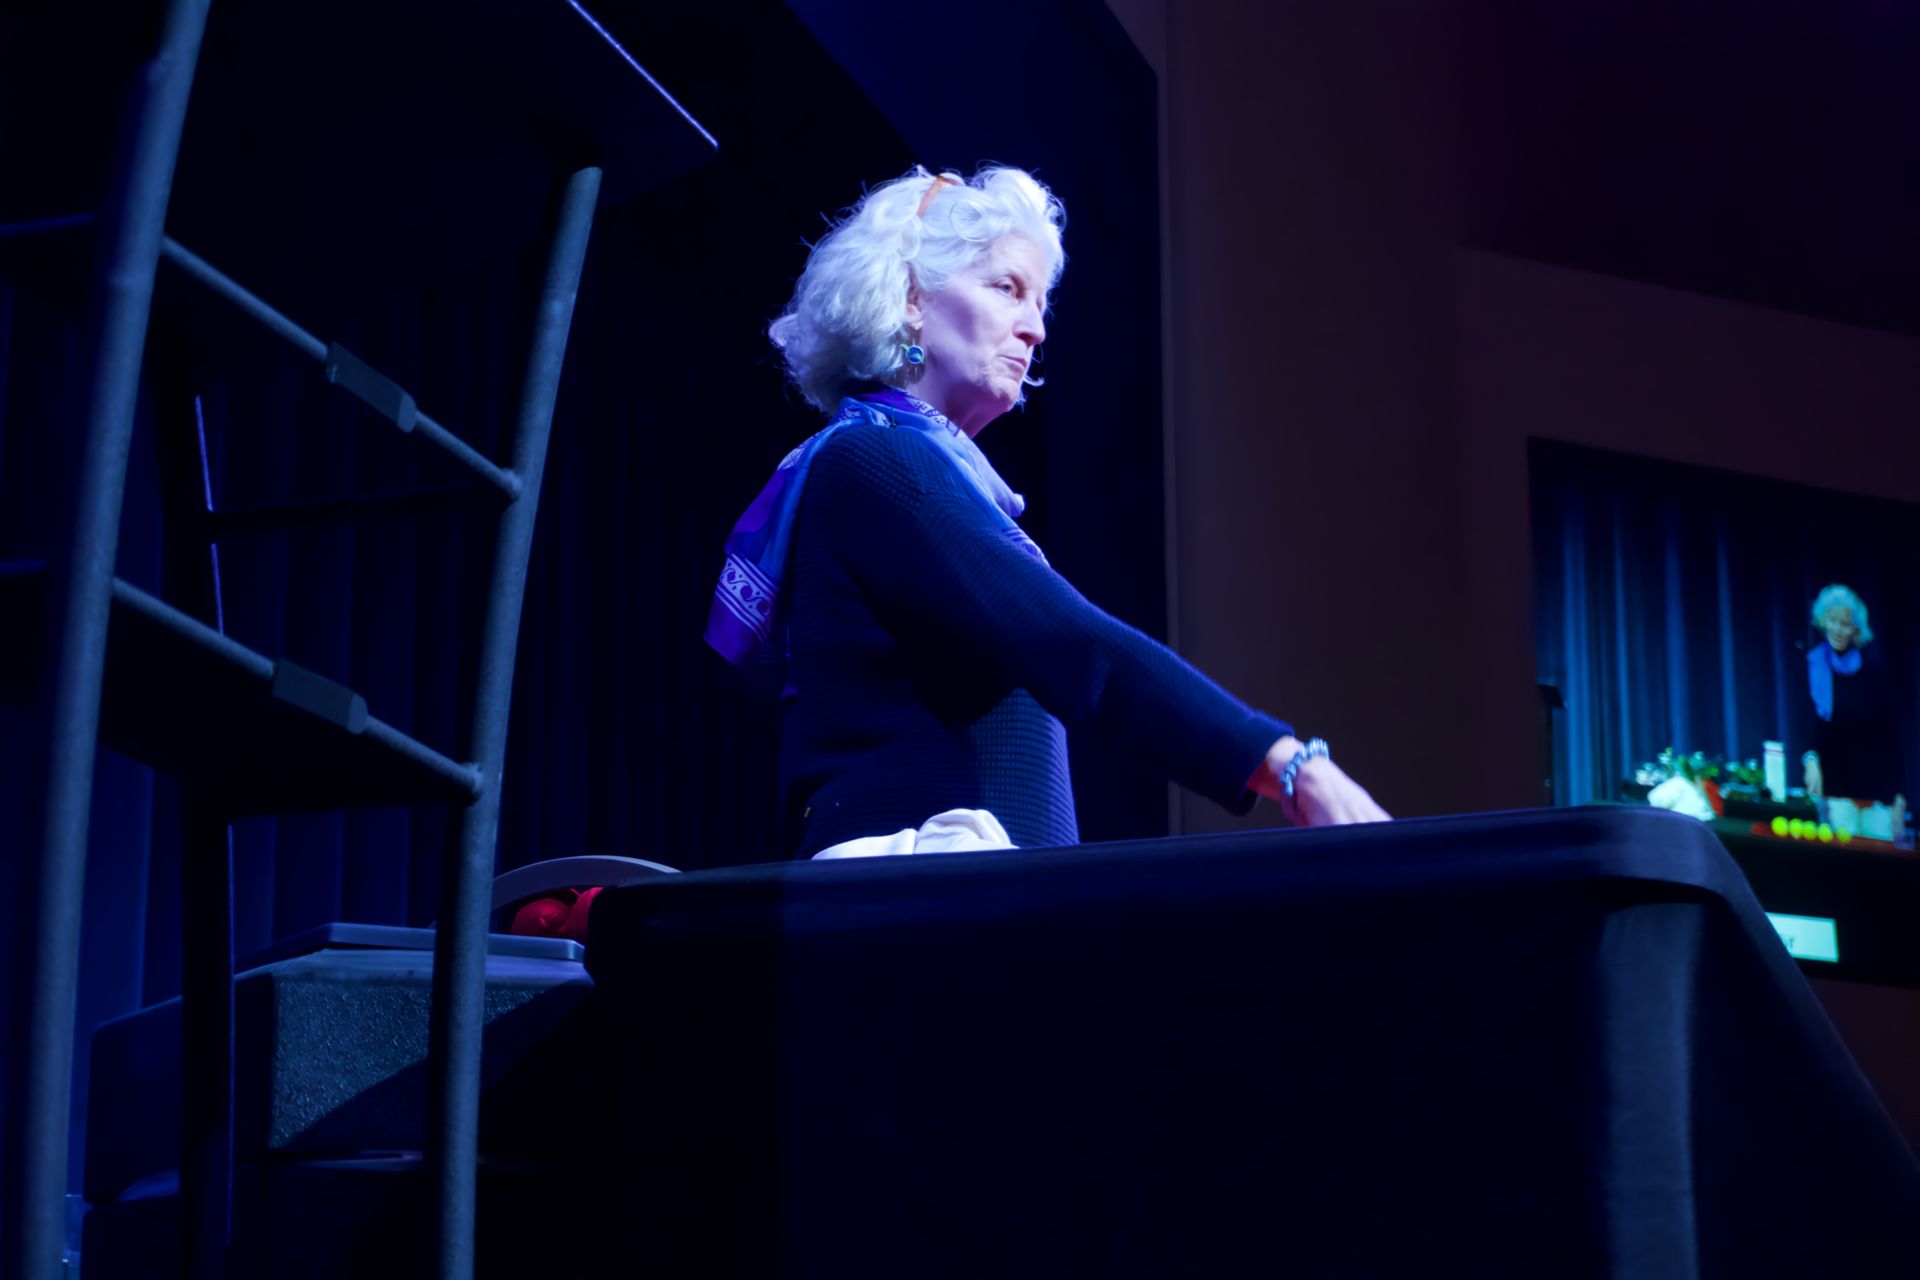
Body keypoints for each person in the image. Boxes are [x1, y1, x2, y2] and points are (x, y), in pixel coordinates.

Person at [706, 166, 1388, 859]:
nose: (1034, 329)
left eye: (1040, 303)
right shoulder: (878, 463)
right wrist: (1287, 765)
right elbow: (1072, 642)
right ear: (912, 297)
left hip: (953, 902)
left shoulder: (911, 468)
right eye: (1006, 289)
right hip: (915, 910)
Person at [1801, 584, 1907, 831]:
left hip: (1878, 794)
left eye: (1845, 624)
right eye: (1833, 620)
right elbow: (1807, 726)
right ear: (1823, 620)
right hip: (1836, 792)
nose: (1837, 629)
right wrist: (1810, 759)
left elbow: (1891, 739)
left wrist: (1900, 795)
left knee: (1882, 865)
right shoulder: (1814, 668)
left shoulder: (1873, 675)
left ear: (1856, 629)